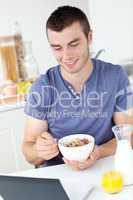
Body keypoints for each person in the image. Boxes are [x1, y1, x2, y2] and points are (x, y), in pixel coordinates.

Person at [22, 5, 133, 170]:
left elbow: (128, 136)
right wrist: (39, 150)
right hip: (58, 173)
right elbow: (28, 152)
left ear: (89, 38)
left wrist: (99, 152)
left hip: (104, 167)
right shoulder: (42, 87)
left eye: (73, 44)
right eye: (57, 48)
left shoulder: (115, 76)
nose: (66, 56)